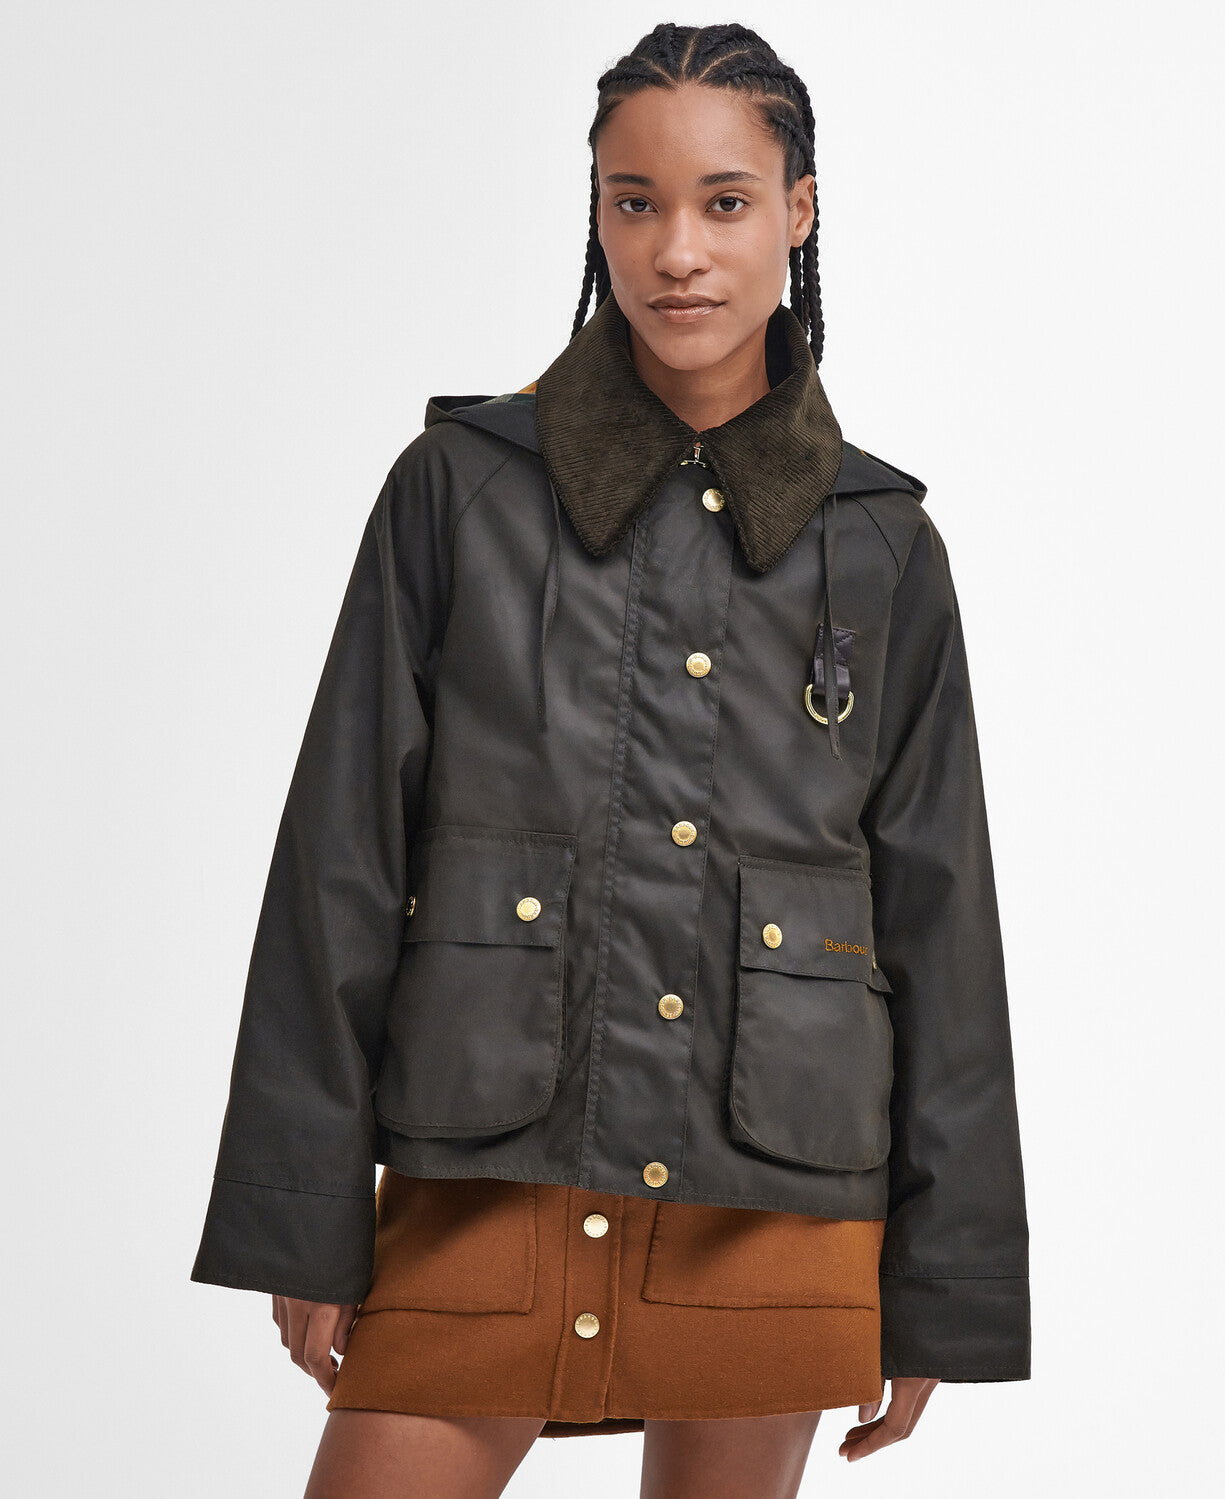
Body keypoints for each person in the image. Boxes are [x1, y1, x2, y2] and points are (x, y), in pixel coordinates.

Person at [191, 21, 1030, 1498]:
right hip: (484, 1166)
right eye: (633, 202)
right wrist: (302, 1212)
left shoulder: (880, 547)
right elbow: (339, 858)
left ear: (799, 211)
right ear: (595, 211)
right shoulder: (459, 494)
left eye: (724, 201)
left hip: (776, 1196)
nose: (675, 252)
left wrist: (943, 1279)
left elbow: (940, 920)